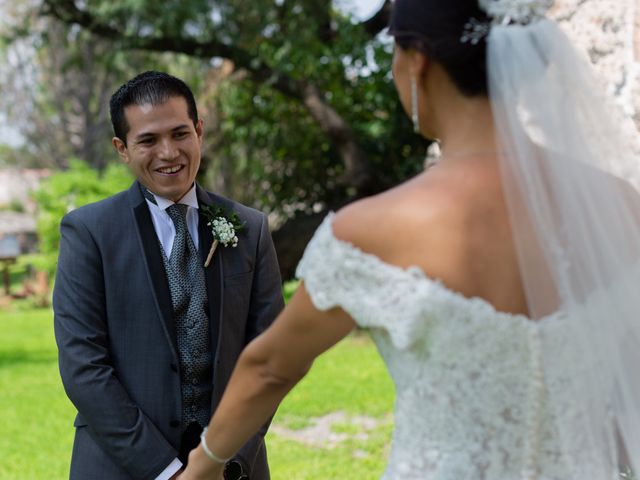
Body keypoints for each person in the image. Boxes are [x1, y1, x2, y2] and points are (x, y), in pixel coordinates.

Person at [182, 0, 640, 478]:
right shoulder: (621, 205)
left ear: (416, 60)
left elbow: (271, 367)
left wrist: (204, 465)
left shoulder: (370, 230)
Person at [53, 71, 284, 480]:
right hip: (121, 466)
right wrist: (168, 471)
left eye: (180, 134)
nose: (168, 152)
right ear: (122, 149)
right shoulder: (89, 232)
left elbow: (270, 356)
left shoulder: (250, 229)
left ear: (199, 131)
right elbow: (84, 366)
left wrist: (225, 462)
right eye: (148, 140)